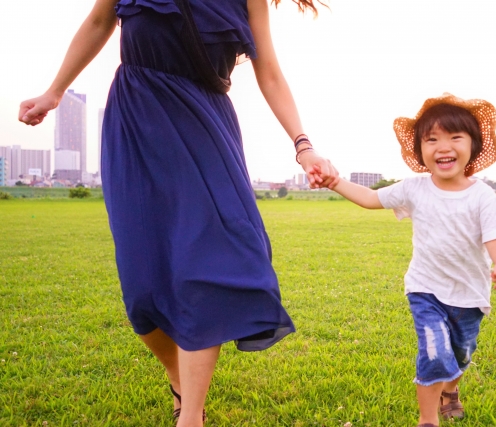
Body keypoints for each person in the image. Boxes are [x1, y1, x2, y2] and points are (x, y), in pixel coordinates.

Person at [18, 0, 339, 425]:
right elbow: (98, 22)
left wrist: (303, 144)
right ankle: (179, 380)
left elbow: (270, 72)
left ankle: (191, 415)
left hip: (206, 127)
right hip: (137, 122)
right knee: (142, 288)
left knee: (206, 269)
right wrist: (54, 91)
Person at [331, 93, 496, 427]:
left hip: (469, 296)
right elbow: (372, 198)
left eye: (455, 137)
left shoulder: (483, 196)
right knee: (434, 354)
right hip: (425, 289)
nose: (443, 146)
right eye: (432, 140)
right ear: (421, 151)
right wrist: (335, 181)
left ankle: (451, 391)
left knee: (460, 357)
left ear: (473, 146)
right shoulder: (414, 189)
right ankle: (427, 420)